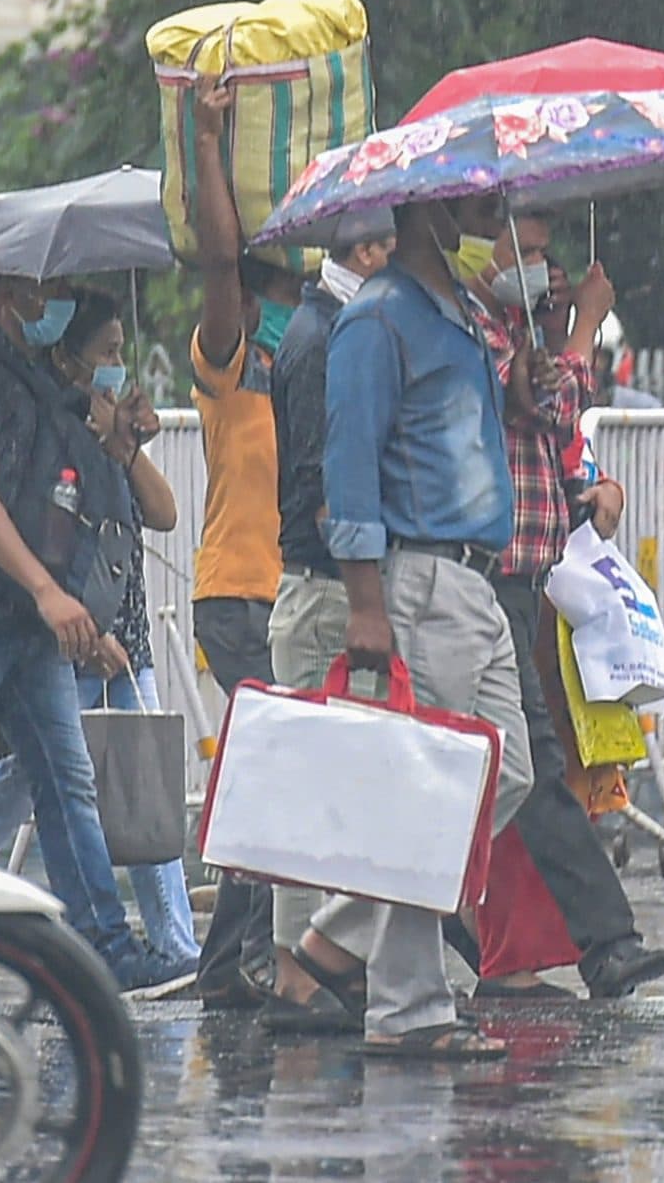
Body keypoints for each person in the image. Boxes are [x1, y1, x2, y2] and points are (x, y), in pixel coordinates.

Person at [0, 280, 184, 990]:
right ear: (9, 291)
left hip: (29, 628)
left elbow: (83, 498)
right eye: (44, 287)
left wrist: (121, 441)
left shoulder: (41, 382)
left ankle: (103, 948)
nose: (51, 298)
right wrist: (46, 590)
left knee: (67, 781)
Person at [316, 193, 540, 1059]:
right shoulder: (378, 320)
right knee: (430, 795)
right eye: (478, 204)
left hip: (475, 582)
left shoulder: (462, 315)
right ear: (430, 212)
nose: (492, 218)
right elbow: (350, 462)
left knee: (500, 772)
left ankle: (338, 927)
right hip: (418, 578)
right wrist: (366, 599)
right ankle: (409, 1010)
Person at [465, 211, 664, 1002]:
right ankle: (599, 943)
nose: (543, 269)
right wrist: (584, 322)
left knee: (514, 770)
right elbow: (551, 410)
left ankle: (560, 946)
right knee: (520, 770)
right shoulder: (476, 334)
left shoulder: (509, 336)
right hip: (488, 579)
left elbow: (555, 449)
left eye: (547, 255)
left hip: (529, 577)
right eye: (525, 251)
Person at [260, 213, 399, 1033]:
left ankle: (313, 960)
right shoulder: (322, 341)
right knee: (308, 787)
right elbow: (319, 478)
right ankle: (298, 970)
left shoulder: (330, 329)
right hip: (320, 587)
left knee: (328, 782)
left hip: (323, 586)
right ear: (369, 251)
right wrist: (364, 590)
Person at [185, 76, 305, 1008]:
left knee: (278, 769)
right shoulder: (232, 363)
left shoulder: (307, 366)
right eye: (286, 291)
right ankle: (233, 962)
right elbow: (219, 261)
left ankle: (231, 961)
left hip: (290, 596)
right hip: (237, 595)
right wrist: (210, 140)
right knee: (276, 766)